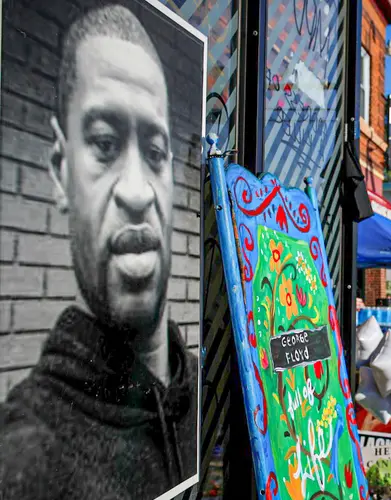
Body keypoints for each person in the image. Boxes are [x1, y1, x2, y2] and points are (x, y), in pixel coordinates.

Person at [0, 5, 197, 499]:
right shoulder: (23, 461)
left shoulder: (206, 390)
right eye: (105, 143)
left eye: (155, 153)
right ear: (59, 170)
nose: (137, 190)